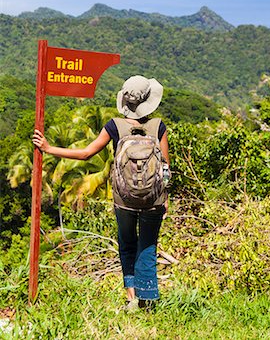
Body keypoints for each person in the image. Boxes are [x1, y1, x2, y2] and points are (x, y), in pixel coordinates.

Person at [32, 75, 170, 311]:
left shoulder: (114, 126)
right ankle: (148, 301)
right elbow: (165, 167)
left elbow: (86, 153)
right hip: (153, 199)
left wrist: (48, 148)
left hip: (124, 200)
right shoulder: (159, 126)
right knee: (147, 245)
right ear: (149, 102)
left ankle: (131, 299)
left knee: (127, 244)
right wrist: (166, 199)